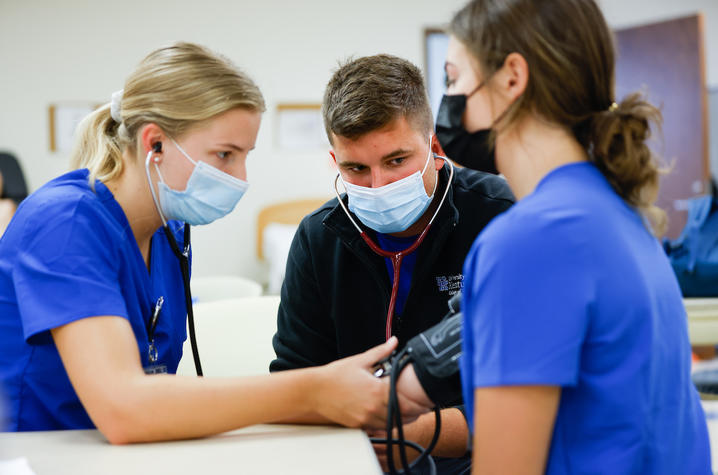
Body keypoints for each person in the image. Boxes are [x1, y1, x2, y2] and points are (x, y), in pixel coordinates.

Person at [0, 42, 428, 443]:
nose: (240, 178)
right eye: (225, 155)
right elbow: (124, 406)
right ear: (155, 143)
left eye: (245, 155)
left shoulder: (170, 232)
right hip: (43, 452)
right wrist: (313, 390)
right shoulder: (67, 222)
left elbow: (153, 387)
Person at [399, 0, 710, 472]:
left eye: (453, 78)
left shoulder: (529, 242)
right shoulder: (620, 217)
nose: (450, 98)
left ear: (511, 78)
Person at [270, 54, 514, 473]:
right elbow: (294, 382)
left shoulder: (501, 215)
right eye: (356, 168)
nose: (378, 186)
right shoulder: (317, 239)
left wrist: (421, 433)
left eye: (397, 160)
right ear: (334, 162)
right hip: (354, 456)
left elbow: (534, 396)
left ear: (434, 146)